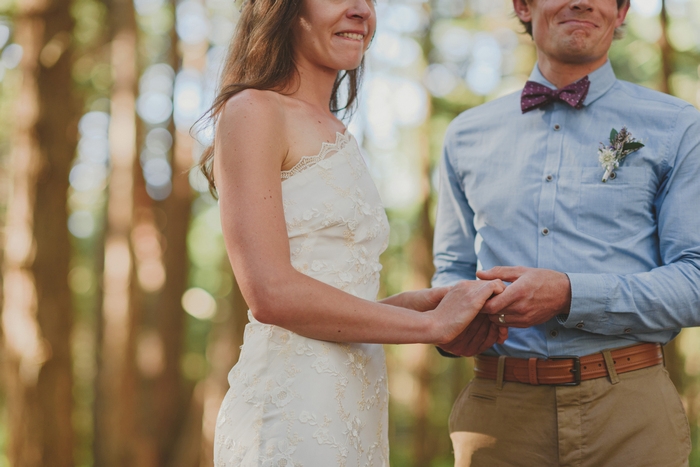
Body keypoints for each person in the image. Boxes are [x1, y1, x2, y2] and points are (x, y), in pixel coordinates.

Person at [197, 0, 508, 465]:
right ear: (285, 9)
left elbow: (326, 300)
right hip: (289, 411)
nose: (361, 10)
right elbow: (271, 293)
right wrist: (428, 327)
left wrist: (414, 305)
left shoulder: (338, 130)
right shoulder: (253, 110)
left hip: (353, 403)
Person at [433, 0, 700, 465]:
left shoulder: (678, 126)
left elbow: (696, 280)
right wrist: (447, 325)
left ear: (620, 12)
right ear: (523, 5)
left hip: (631, 414)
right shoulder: (465, 135)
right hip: (496, 418)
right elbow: (451, 270)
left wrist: (572, 294)